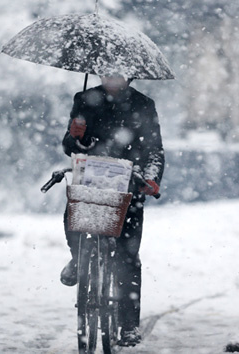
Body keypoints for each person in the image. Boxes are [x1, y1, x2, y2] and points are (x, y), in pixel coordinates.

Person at [60, 74, 164, 347]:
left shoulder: (144, 104)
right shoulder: (84, 100)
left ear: (129, 76)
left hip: (130, 183)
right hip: (92, 179)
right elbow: (69, 147)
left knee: (128, 256)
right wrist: (75, 136)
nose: (111, 77)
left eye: (117, 72)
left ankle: (128, 325)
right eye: (106, 71)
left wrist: (151, 178)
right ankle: (78, 258)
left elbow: (154, 150)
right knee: (74, 217)